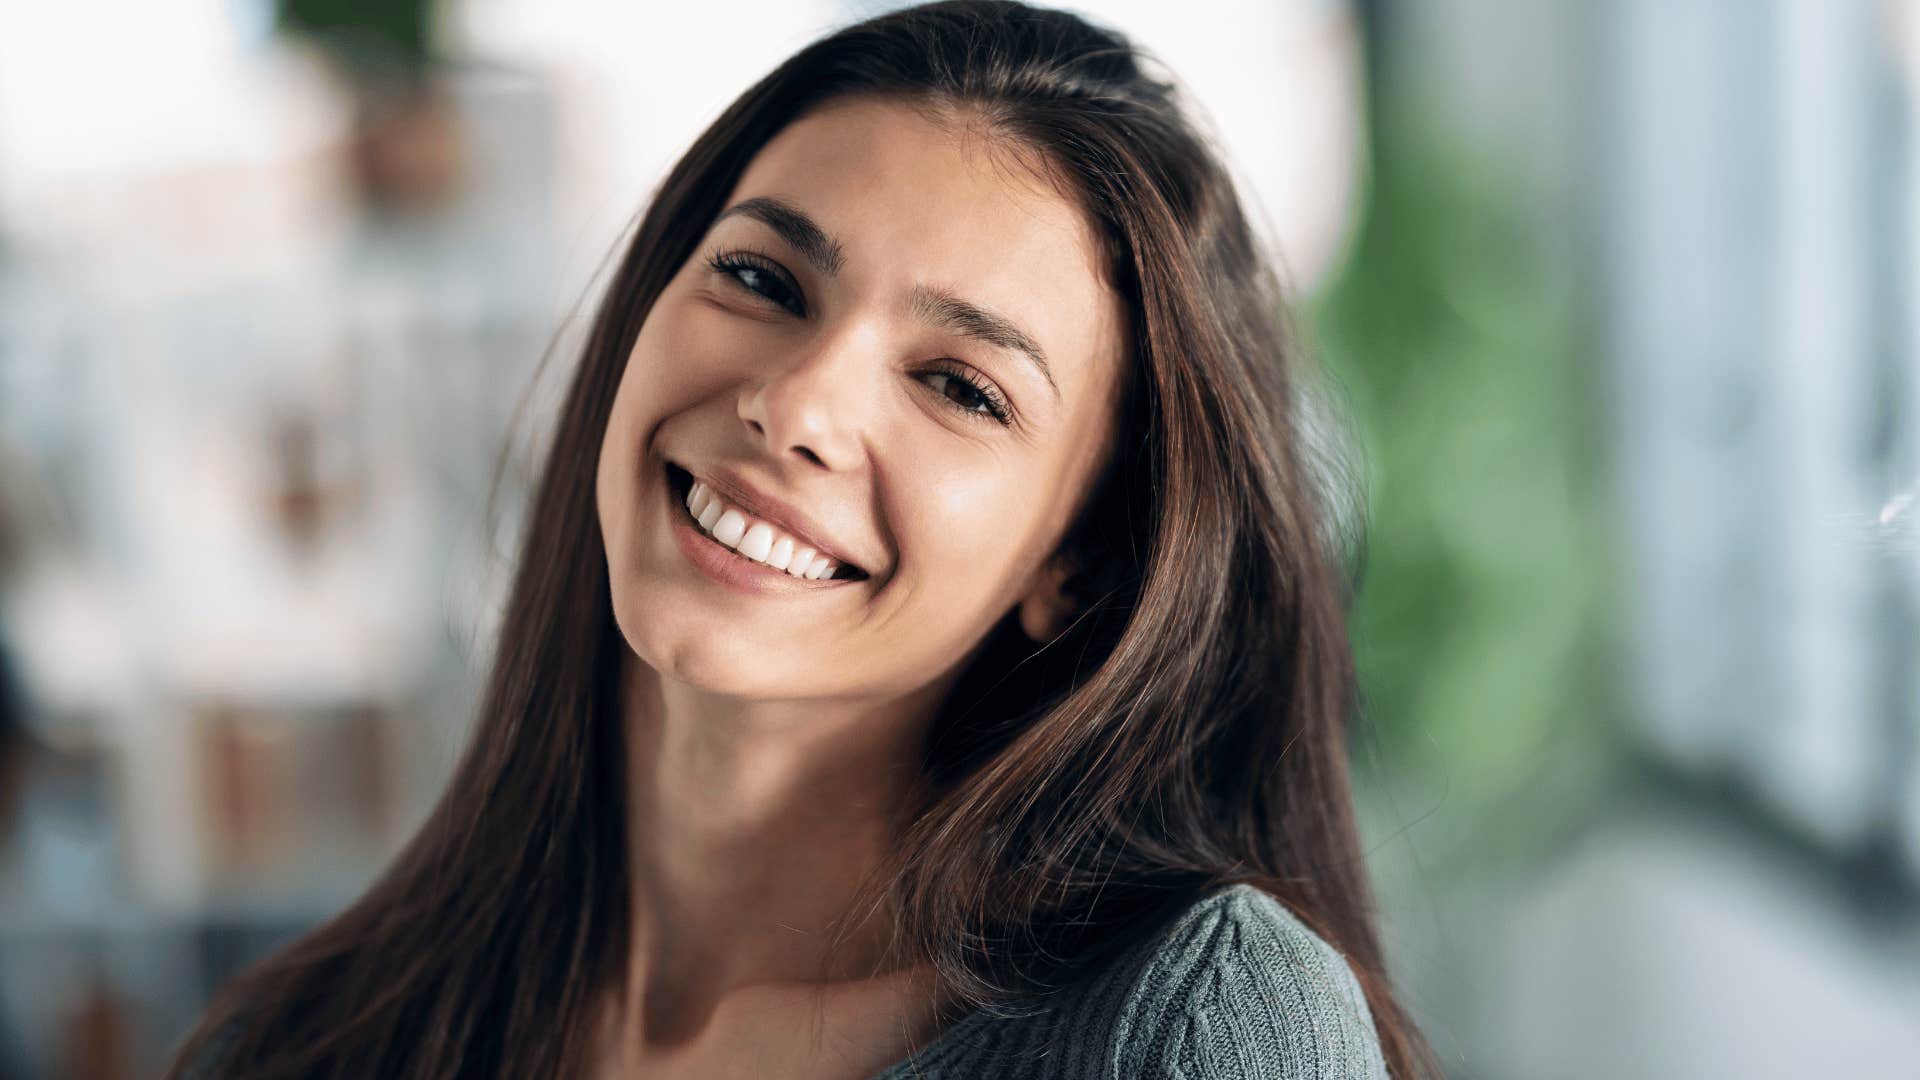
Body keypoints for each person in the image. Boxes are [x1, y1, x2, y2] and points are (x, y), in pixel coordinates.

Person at [169, 2, 1438, 1076]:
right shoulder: (308, 1040)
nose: (797, 403)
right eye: (764, 280)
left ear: (1082, 562)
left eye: (961, 387)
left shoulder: (1191, 1030)